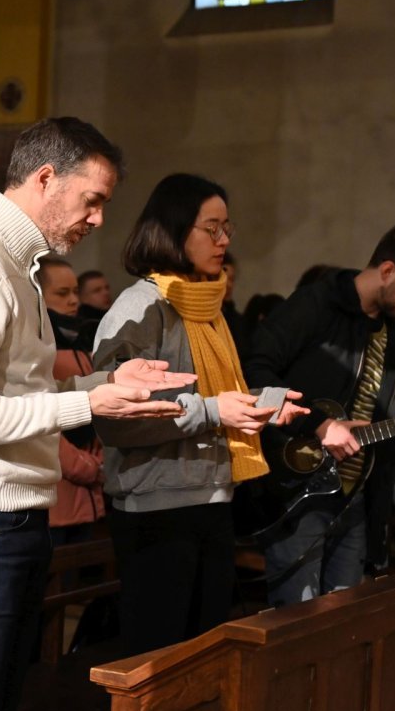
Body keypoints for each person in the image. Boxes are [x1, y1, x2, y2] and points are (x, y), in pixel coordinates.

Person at [0, 116, 195, 711]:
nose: (98, 218)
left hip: (8, 518)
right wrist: (89, 401)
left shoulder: (16, 266)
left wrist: (107, 379)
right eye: (92, 199)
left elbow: (22, 387)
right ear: (45, 178)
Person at [92, 173, 305, 657]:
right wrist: (214, 411)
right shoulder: (140, 308)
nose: (224, 241)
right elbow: (114, 417)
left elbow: (211, 395)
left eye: (227, 228)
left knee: (205, 653)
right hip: (156, 508)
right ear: (173, 230)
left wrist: (258, 404)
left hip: (211, 497)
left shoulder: (206, 305)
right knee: (159, 658)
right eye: (212, 228)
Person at [244, 222, 395, 606]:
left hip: (358, 499)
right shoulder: (316, 305)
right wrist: (318, 424)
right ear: (388, 271)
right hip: (297, 492)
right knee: (296, 623)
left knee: (345, 626)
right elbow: (255, 370)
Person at [38, 256, 105, 546]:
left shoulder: (83, 342)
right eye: (62, 294)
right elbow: (43, 420)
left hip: (90, 492)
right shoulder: (39, 349)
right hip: (60, 491)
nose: (73, 301)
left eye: (76, 291)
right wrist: (87, 467)